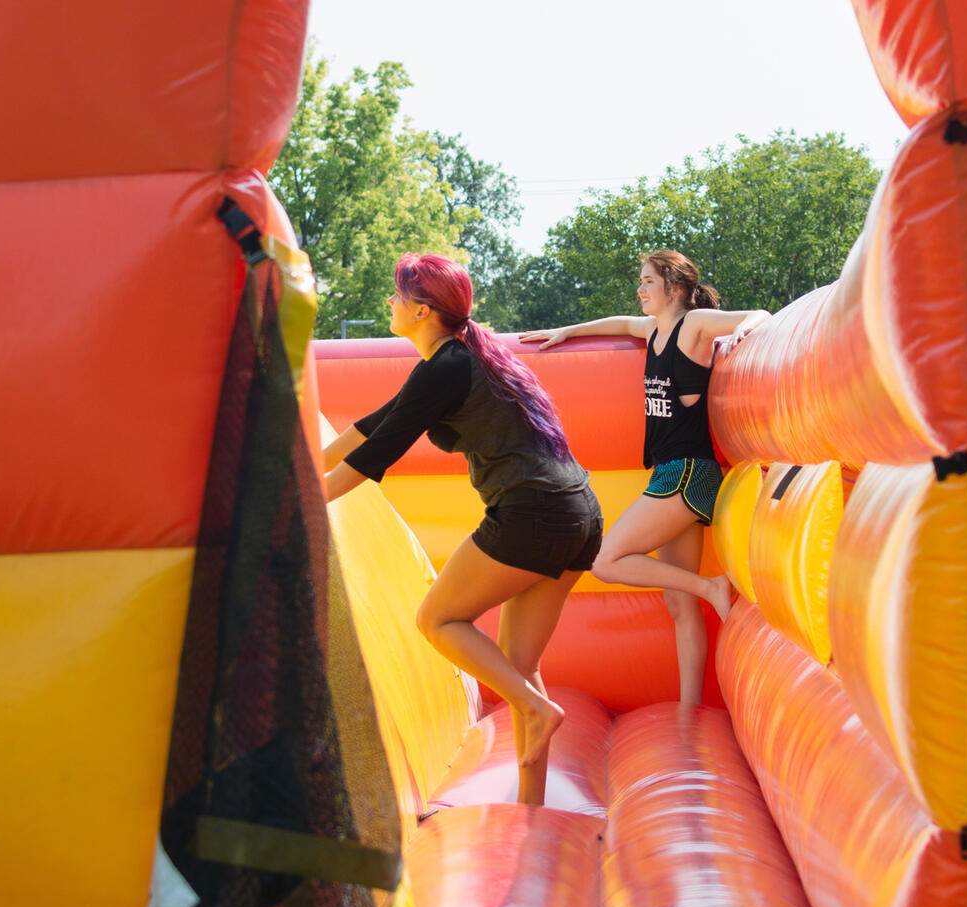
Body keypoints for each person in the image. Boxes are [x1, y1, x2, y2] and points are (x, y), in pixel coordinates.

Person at [322, 253, 603, 806]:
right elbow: (378, 421)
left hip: (532, 514)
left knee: (437, 618)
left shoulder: (449, 366)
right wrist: (306, 459)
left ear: (423, 309)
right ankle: (532, 806)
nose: (390, 303)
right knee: (521, 669)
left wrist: (306, 501)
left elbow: (382, 449)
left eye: (398, 296)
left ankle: (536, 709)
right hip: (579, 514)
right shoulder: (462, 359)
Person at [520, 250, 767, 705]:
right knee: (679, 606)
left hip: (688, 473)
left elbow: (758, 313)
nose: (640, 289)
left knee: (605, 561)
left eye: (648, 281)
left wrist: (744, 330)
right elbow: (616, 322)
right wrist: (567, 331)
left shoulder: (694, 324)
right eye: (640, 281)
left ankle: (712, 587)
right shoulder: (655, 330)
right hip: (673, 473)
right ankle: (691, 710)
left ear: (674, 287)